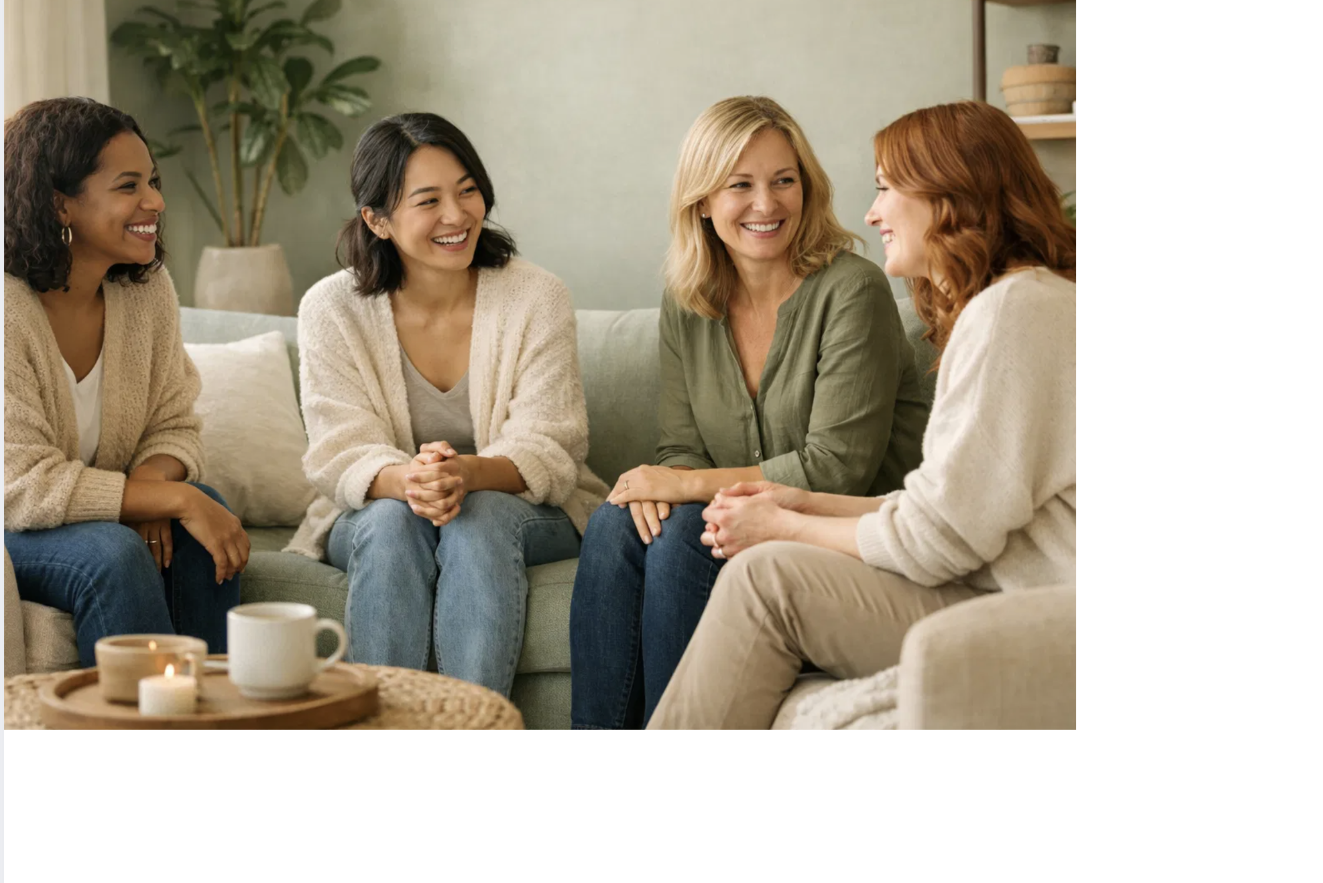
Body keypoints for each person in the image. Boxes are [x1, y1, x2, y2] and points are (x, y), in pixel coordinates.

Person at [646, 99, 1075, 729]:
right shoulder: (1017, 305)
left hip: (1038, 616)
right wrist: (798, 503)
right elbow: (947, 512)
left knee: (764, 579)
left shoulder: (1012, 313)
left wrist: (785, 526)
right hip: (1008, 593)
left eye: (886, 189)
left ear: (949, 195)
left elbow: (937, 539)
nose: (872, 213)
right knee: (642, 532)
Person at [568, 95, 930, 729]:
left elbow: (836, 467)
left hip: (839, 530)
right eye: (741, 185)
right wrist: (664, 486)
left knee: (685, 532)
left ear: (806, 188)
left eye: (784, 180)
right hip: (739, 523)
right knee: (615, 522)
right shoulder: (687, 299)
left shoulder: (853, 289)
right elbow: (681, 447)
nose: (767, 204)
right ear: (703, 202)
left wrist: (681, 486)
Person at [291, 112, 604, 698]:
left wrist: (464, 476)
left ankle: (472, 729)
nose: (457, 216)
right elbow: (339, 452)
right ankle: (386, 728)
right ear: (377, 220)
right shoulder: (330, 308)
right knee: (391, 522)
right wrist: (413, 482)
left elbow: (551, 444)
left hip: (519, 507)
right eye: (428, 201)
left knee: (476, 517)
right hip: (385, 507)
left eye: (467, 190)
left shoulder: (537, 296)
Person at [3, 97, 247, 664]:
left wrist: (154, 490)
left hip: (85, 513)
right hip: (13, 523)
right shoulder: (7, 312)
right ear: (60, 204)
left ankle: (213, 709)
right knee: (114, 553)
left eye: (152, 182)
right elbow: (20, 486)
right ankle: (142, 722)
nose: (155, 201)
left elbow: (175, 425)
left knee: (200, 516)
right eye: (128, 186)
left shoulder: (146, 291)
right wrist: (166, 497)